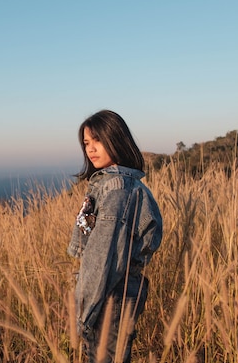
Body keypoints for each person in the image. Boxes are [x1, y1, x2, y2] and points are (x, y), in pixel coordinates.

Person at [68, 110, 163, 363]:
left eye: (97, 140)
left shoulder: (117, 190)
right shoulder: (115, 185)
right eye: (86, 143)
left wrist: (83, 313)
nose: (91, 149)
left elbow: (101, 257)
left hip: (110, 293)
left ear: (116, 138)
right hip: (115, 292)